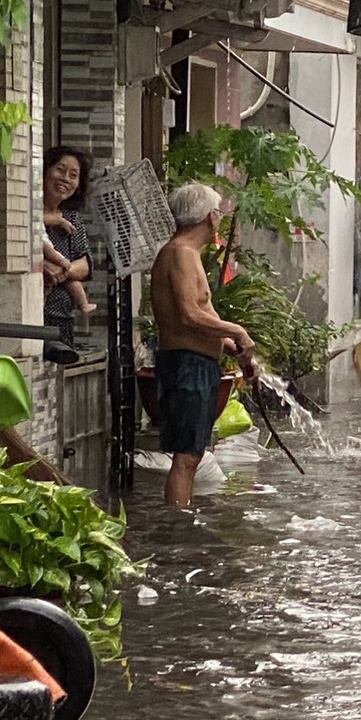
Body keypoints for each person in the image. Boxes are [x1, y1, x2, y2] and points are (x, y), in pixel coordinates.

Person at [147, 183, 251, 510]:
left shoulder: (190, 255)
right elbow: (189, 315)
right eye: (218, 212)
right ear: (209, 217)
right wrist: (237, 330)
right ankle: (178, 529)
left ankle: (183, 520)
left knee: (192, 454)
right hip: (186, 365)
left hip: (200, 363)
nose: (219, 218)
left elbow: (204, 315)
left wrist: (234, 347)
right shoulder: (179, 253)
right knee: (187, 455)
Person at [39, 147, 96, 360]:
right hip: (34, 318)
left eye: (73, 175)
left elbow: (87, 266)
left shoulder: (72, 217)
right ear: (45, 171)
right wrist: (40, 266)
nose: (65, 179)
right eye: (60, 170)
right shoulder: (30, 215)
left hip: (62, 318)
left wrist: (61, 269)